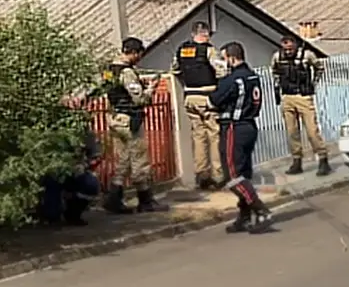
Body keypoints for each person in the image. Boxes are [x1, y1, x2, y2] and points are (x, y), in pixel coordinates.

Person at [209, 41, 273, 233]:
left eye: (224, 58)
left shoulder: (233, 79)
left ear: (231, 58)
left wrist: (220, 80)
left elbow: (214, 100)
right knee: (244, 173)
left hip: (233, 128)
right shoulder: (253, 76)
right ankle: (244, 216)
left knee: (233, 175)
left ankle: (261, 209)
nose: (223, 62)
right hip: (250, 126)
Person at [102, 37, 166, 214]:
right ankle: (145, 200)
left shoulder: (109, 70)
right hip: (129, 120)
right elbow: (139, 99)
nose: (139, 58)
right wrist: (151, 88)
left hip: (115, 118)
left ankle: (114, 198)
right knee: (139, 160)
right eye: (139, 54)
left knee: (123, 160)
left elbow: (115, 90)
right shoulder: (127, 72)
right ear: (134, 53)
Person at [171, 21, 228, 190]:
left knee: (198, 136)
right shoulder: (209, 50)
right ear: (206, 34)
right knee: (214, 136)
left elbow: (175, 70)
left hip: (190, 97)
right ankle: (218, 176)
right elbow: (222, 71)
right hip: (207, 98)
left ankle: (201, 175)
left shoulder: (181, 50)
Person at [271, 35, 331, 176]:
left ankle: (323, 158)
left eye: (290, 47)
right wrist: (278, 89)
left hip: (303, 96)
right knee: (292, 132)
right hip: (287, 96)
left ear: (295, 45)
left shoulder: (306, 55)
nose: (288, 51)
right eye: (285, 47)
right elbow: (275, 73)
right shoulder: (277, 57)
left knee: (312, 131)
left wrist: (312, 85)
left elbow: (319, 68)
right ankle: (296, 160)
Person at [39, 129, 103, 226]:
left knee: (91, 184)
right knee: (51, 181)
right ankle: (50, 215)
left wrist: (85, 165)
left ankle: (73, 214)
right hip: (54, 172)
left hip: (76, 172)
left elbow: (97, 156)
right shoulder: (51, 130)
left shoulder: (86, 133)